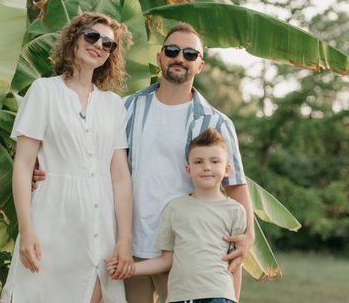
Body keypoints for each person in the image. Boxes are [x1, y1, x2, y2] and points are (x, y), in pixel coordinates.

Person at [33, 22, 254, 303]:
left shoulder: (217, 122)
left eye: (190, 54)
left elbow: (235, 185)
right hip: (128, 246)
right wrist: (40, 167)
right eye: (172, 50)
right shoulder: (126, 109)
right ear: (159, 57)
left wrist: (249, 237)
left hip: (186, 252)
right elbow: (89, 154)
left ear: (200, 65)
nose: (180, 58)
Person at [1, 12, 134, 303]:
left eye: (109, 44)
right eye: (92, 36)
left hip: (100, 227)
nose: (100, 45)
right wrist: (26, 230)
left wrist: (124, 240)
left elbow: (120, 177)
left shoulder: (114, 106)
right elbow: (23, 165)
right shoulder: (43, 91)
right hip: (50, 220)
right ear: (73, 38)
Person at [105, 128, 246, 303]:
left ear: (226, 169)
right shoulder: (175, 209)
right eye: (199, 162)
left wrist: (234, 298)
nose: (207, 167)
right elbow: (166, 260)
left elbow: (236, 263)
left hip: (219, 295)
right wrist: (129, 268)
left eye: (215, 161)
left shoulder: (236, 211)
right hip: (181, 297)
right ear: (188, 169)